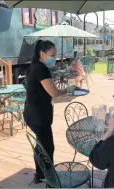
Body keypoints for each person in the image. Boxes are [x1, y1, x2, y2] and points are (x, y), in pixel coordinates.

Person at [23, 40, 75, 184]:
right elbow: (54, 92)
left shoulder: (35, 66)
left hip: (33, 112)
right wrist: (68, 90)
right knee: (47, 147)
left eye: (55, 54)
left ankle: (40, 174)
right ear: (42, 53)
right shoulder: (40, 69)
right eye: (52, 54)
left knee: (41, 144)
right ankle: (48, 176)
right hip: (38, 115)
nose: (55, 57)